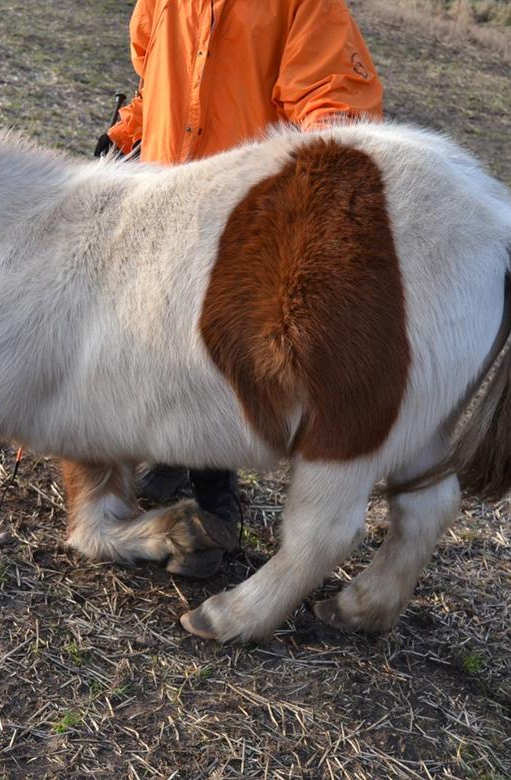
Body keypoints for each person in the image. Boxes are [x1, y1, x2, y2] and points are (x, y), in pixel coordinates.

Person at [101, 0, 384, 528]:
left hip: (243, 211)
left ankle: (217, 499)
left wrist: (324, 187)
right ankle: (172, 453)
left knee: (221, 351)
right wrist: (124, 136)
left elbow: (333, 100)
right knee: (164, 331)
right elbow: (152, 72)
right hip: (166, 188)